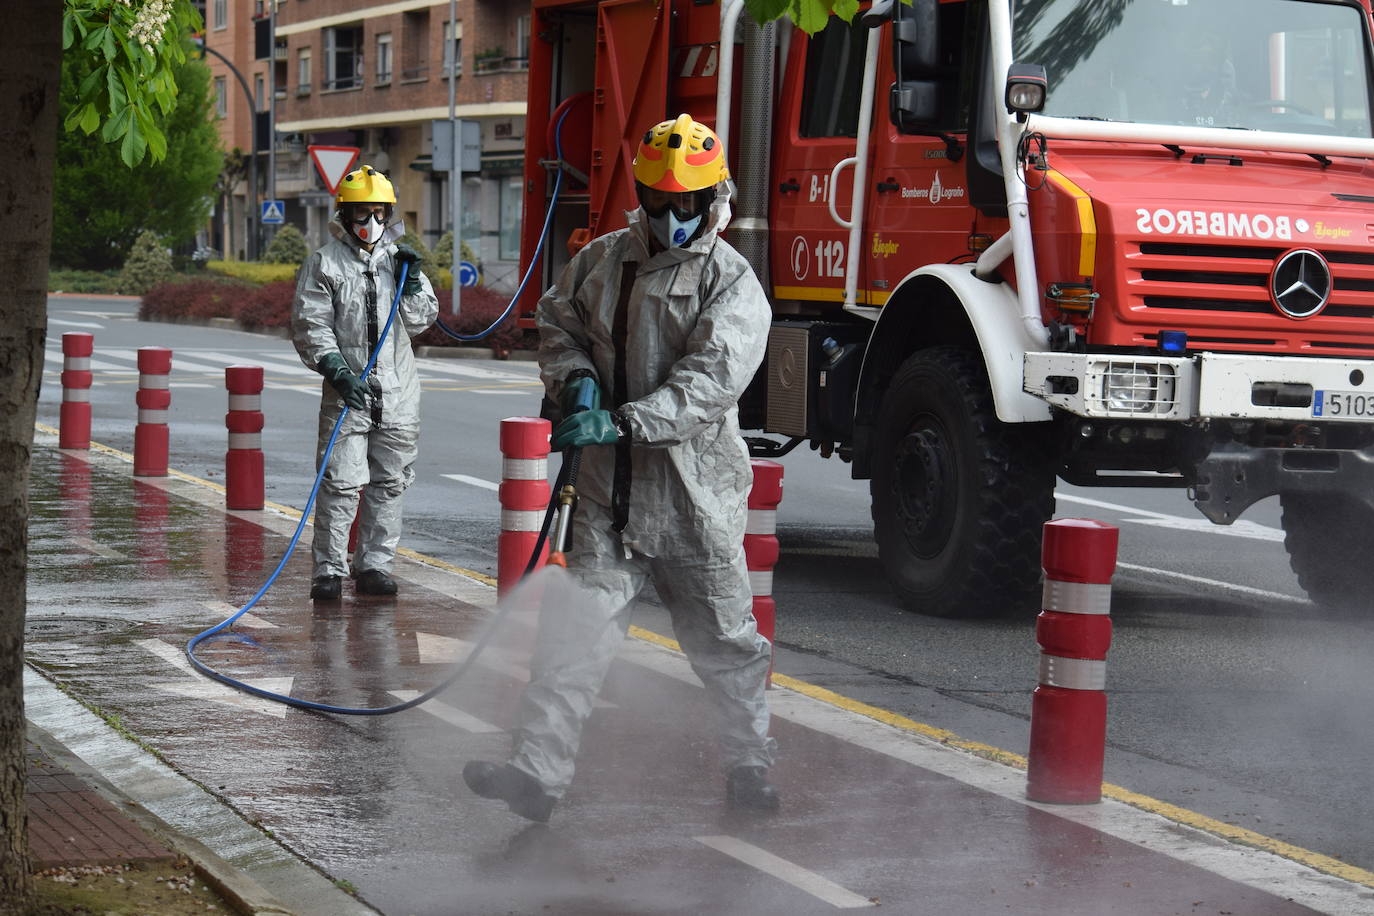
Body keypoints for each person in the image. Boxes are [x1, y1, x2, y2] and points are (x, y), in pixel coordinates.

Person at [463, 114, 778, 822]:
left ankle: (750, 763)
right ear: (642, 191)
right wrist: (572, 380)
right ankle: (537, 776)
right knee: (572, 642)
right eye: (660, 201)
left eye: (687, 203)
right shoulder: (603, 261)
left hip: (694, 499)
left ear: (713, 196)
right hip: (607, 497)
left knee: (727, 644)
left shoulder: (731, 282)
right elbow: (557, 323)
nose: (673, 215)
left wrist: (624, 420)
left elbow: (709, 382)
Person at [291, 165, 438, 601]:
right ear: (344, 216)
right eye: (361, 214)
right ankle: (329, 571)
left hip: (397, 395)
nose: (370, 224)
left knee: (390, 483)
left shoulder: (400, 262)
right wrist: (336, 369)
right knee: (340, 483)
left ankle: (374, 564)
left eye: (378, 214)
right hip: (347, 393)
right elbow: (311, 325)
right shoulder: (325, 263)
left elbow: (418, 321)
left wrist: (411, 284)